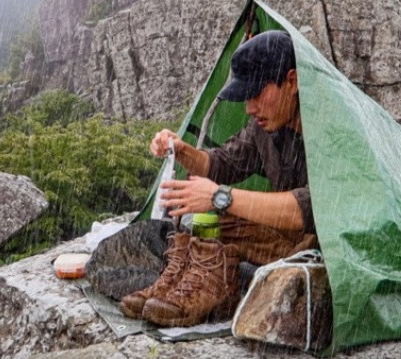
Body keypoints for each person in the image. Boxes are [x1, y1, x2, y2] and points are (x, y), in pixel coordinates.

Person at [120, 30, 319, 327]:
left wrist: (219, 197)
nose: (250, 108)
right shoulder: (263, 128)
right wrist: (182, 149)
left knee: (219, 210)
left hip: (322, 248)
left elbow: (311, 208)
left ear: (292, 82)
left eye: (257, 94)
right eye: (246, 97)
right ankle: (192, 284)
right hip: (285, 237)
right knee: (200, 222)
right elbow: (219, 164)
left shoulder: (329, 130)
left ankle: (215, 288)